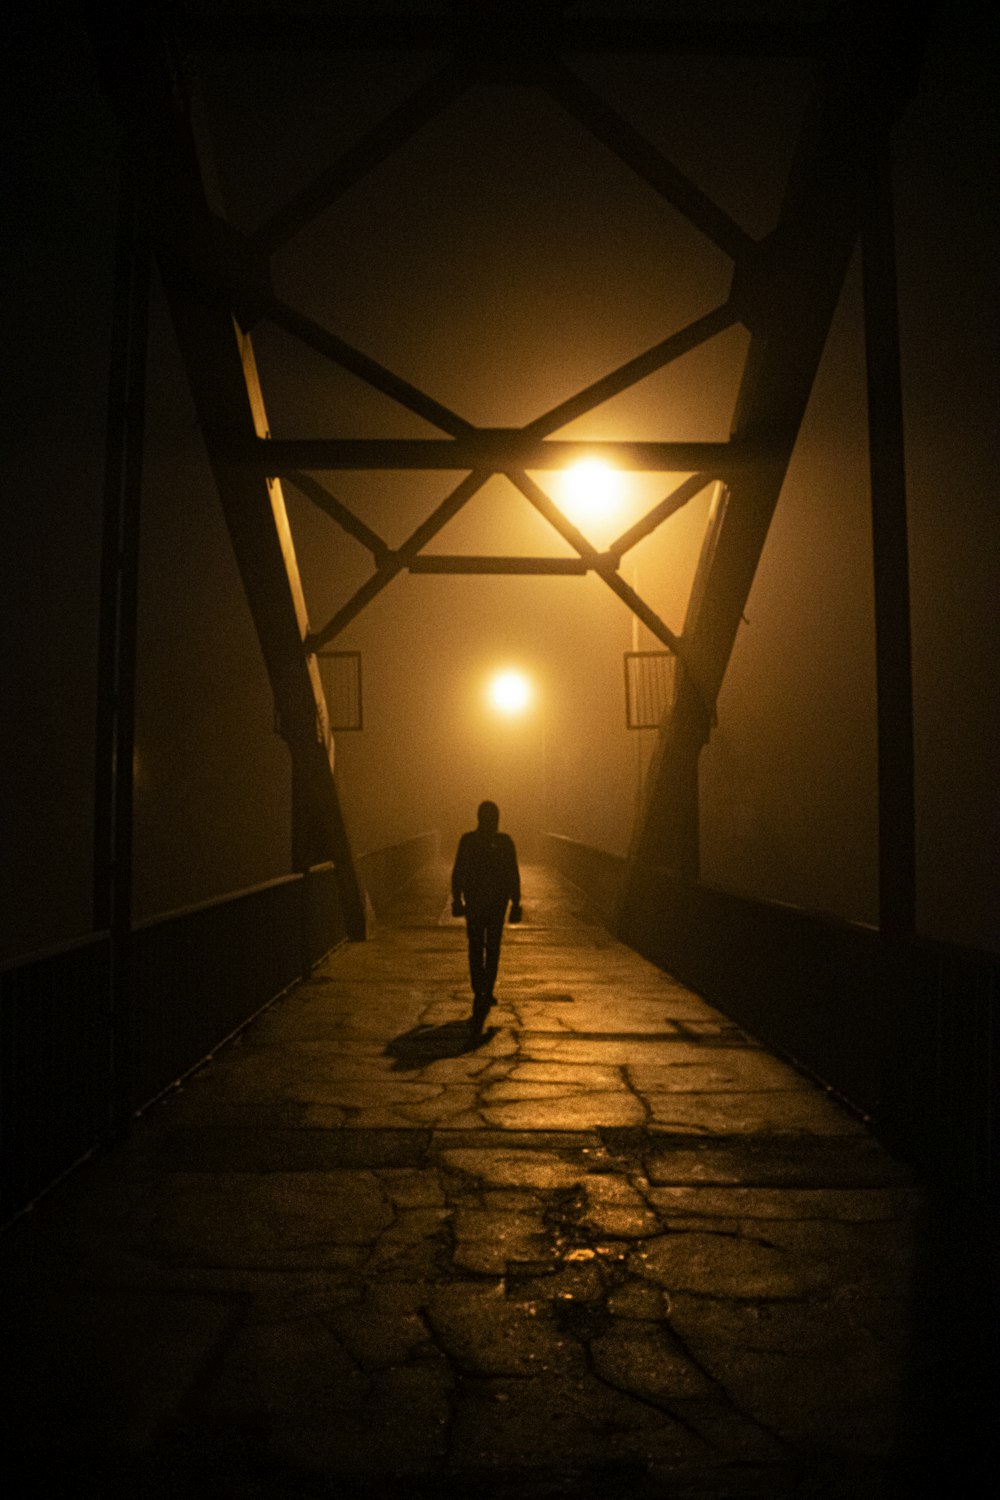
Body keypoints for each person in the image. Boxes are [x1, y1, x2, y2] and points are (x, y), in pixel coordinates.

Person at [451, 800, 522, 1032]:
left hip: (475, 902)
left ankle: (478, 989)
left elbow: (459, 870)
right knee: (493, 947)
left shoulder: (468, 841)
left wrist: (457, 897)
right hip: (497, 905)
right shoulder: (505, 842)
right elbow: (513, 872)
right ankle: (487, 990)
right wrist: (516, 901)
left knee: (475, 945)